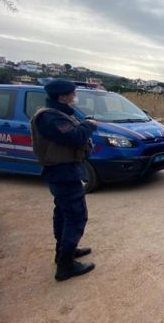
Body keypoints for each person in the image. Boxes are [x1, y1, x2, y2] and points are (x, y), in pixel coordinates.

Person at [30, 79, 97, 281]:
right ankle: (66, 266)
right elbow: (74, 137)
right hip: (62, 171)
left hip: (65, 169)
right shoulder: (49, 117)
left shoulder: (59, 113)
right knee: (76, 216)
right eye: (72, 93)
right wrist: (89, 125)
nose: (74, 96)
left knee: (64, 213)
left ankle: (64, 252)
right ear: (62, 96)